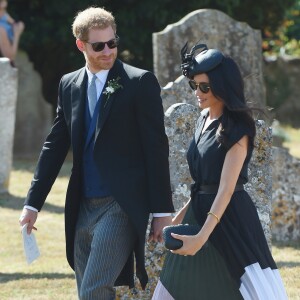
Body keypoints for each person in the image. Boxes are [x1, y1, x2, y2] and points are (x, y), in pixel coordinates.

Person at [18, 6, 174, 300]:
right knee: (84, 287)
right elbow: (54, 146)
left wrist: (162, 212)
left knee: (94, 289)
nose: (107, 51)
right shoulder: (69, 84)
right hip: (82, 205)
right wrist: (32, 204)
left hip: (120, 204)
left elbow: (156, 148)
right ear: (81, 45)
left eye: (112, 43)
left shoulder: (139, 83)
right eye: (98, 45)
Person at [152, 43, 288, 300]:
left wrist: (202, 237)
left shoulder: (237, 128)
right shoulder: (203, 119)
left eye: (205, 87)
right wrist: (178, 218)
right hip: (199, 214)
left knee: (247, 292)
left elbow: (225, 188)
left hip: (231, 220)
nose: (198, 92)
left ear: (223, 87)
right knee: (172, 289)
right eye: (195, 85)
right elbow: (203, 183)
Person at [0, 0, 24, 65]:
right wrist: (17, 35)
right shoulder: (1, 30)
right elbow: (10, 56)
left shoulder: (4, 15)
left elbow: (13, 23)